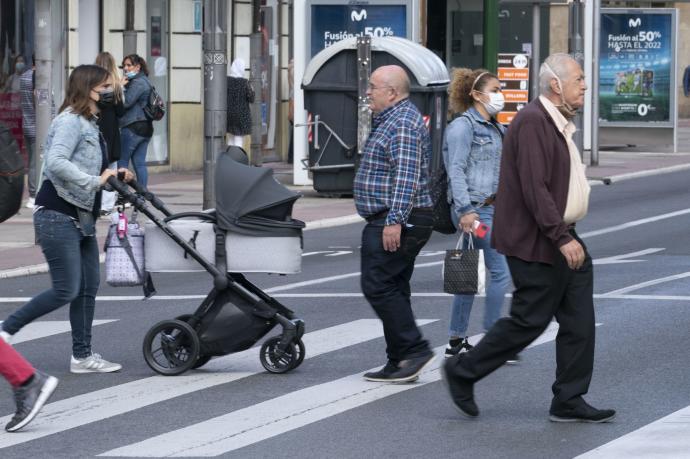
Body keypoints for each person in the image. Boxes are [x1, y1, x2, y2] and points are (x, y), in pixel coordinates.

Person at [442, 53, 616, 423]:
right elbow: (536, 189)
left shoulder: (556, 122)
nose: (585, 86)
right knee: (529, 320)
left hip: (560, 233)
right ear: (557, 85)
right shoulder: (534, 122)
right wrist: (561, 237)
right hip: (537, 239)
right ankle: (463, 371)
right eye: (579, 79)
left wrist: (567, 235)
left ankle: (569, 398)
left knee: (578, 319)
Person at [0, 64, 134, 373]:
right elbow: (56, 163)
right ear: (88, 88)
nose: (112, 90)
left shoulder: (91, 122)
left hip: (81, 216)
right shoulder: (70, 121)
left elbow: (90, 165)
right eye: (106, 85)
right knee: (66, 288)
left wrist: (115, 175)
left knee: (88, 286)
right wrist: (95, 181)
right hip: (57, 215)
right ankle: (7, 329)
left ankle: (82, 356)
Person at [353, 65, 435, 383]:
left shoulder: (401, 122)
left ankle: (414, 350)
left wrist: (395, 220)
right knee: (394, 286)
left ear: (392, 92)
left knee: (378, 284)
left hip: (398, 216)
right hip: (395, 216)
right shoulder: (393, 118)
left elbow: (406, 175)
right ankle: (399, 360)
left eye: (372, 87)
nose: (368, 92)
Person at [441, 68, 512, 359]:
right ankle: (494, 339)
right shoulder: (463, 127)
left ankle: (456, 340)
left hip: (492, 209)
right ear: (477, 94)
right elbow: (455, 169)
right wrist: (465, 210)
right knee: (500, 271)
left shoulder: (496, 128)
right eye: (495, 89)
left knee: (467, 273)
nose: (500, 94)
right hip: (476, 214)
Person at [95, 51, 125, 214]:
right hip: (111, 130)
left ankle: (97, 203)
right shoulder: (116, 86)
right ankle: (107, 205)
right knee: (111, 167)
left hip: (95, 127)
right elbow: (121, 112)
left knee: (94, 166)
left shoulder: (93, 84)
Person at [119, 54, 153, 189]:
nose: (126, 68)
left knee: (122, 162)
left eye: (129, 65)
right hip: (145, 128)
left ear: (138, 67)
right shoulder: (145, 80)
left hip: (133, 127)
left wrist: (121, 87)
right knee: (139, 163)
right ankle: (142, 197)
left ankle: (122, 194)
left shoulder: (138, 83)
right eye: (124, 66)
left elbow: (126, 102)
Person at [19, 55, 36, 209]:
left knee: (32, 161)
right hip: (38, 126)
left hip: (27, 124)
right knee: (35, 163)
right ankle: (33, 194)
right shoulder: (38, 78)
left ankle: (33, 194)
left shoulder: (24, 77)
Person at [226, 58, 253, 148]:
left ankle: (229, 158)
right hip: (241, 114)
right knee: (238, 138)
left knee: (230, 137)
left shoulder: (227, 81)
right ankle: (237, 158)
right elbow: (251, 98)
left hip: (228, 113)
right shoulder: (245, 83)